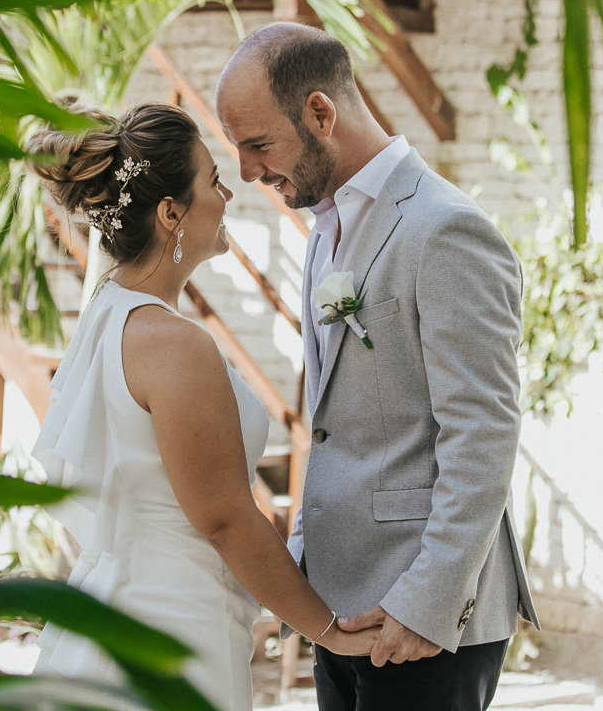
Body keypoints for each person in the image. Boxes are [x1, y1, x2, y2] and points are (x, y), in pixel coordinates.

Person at [215, 22, 540, 711]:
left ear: (320, 114)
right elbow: (334, 425)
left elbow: (482, 432)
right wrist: (305, 566)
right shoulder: (324, 231)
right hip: (339, 611)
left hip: (422, 619)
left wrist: (426, 604)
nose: (246, 172)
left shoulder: (445, 229)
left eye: (257, 145)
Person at [28, 103, 379, 711]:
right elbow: (226, 520)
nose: (230, 194)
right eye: (213, 182)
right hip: (173, 628)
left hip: (118, 603)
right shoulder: (174, 343)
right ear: (171, 213)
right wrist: (329, 632)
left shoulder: (107, 313)